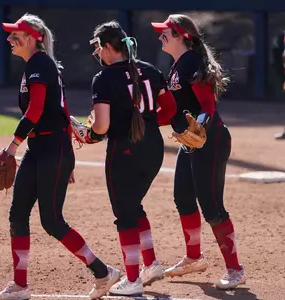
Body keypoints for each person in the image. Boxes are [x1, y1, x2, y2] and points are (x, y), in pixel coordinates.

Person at [0, 13, 121, 300]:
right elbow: (58, 108)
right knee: (17, 215)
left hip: (52, 150)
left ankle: (103, 271)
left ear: (34, 38)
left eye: (16, 35)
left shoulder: (40, 65)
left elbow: (34, 111)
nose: (10, 39)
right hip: (42, 150)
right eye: (10, 35)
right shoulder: (35, 66)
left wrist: (11, 148)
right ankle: (20, 286)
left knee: (52, 220)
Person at [81, 21, 177, 296]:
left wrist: (87, 134)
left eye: (99, 46)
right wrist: (144, 123)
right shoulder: (150, 70)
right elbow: (169, 111)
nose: (98, 52)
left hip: (124, 150)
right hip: (153, 148)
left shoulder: (104, 78)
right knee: (133, 206)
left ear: (109, 48)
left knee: (125, 215)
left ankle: (133, 279)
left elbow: (101, 126)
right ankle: (151, 265)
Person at [151, 14, 246, 289]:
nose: (160, 36)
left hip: (210, 140)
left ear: (182, 35)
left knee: (212, 206)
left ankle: (235, 269)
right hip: (191, 143)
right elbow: (169, 111)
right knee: (183, 197)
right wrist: (143, 119)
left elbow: (208, 106)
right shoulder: (177, 65)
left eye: (165, 32)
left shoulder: (192, 62)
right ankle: (193, 257)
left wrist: (200, 127)